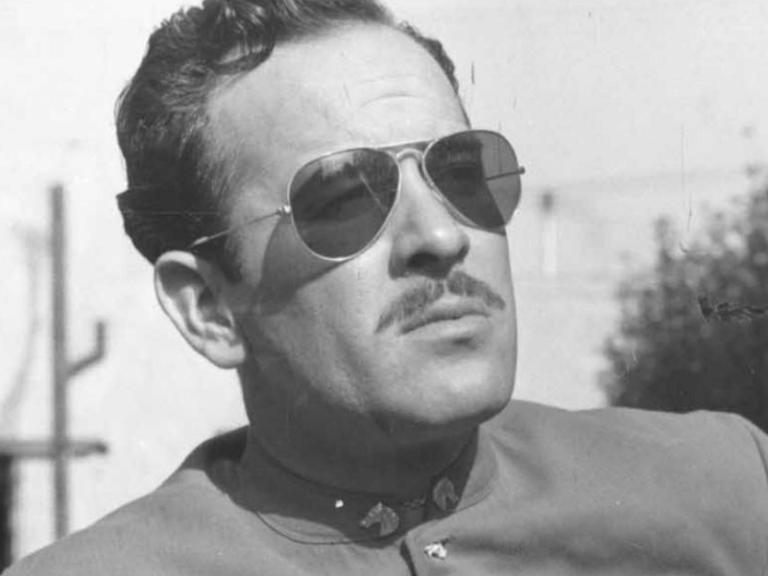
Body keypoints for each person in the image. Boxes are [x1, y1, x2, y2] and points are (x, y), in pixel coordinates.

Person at [6, 0, 768, 574]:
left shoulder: (728, 488)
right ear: (209, 309)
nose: (441, 237)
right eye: (342, 200)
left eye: (462, 174)